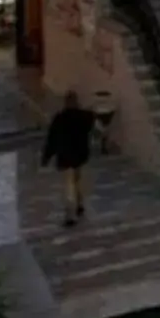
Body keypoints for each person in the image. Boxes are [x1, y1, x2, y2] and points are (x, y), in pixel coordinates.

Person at [40, 92, 113, 226]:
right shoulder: (85, 116)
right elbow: (99, 129)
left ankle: (70, 214)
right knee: (77, 180)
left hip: (65, 155)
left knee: (69, 184)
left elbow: (52, 139)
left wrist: (46, 157)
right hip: (80, 154)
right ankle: (79, 204)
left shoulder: (60, 118)